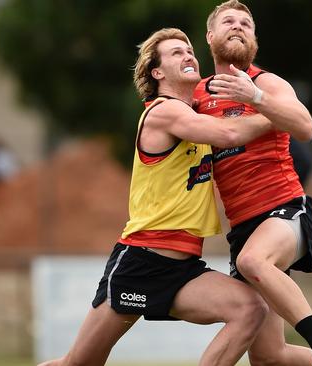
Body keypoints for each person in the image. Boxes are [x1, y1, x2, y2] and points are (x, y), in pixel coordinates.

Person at [37, 28, 276, 366]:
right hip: (141, 260)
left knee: (250, 309)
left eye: (190, 50)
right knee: (78, 364)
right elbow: (229, 133)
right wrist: (278, 114)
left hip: (183, 269)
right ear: (157, 72)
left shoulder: (195, 115)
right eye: (177, 53)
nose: (189, 55)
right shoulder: (164, 112)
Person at [194, 1, 312, 365]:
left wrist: (256, 99)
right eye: (228, 21)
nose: (237, 26)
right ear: (210, 36)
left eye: (246, 23)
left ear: (255, 41)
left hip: (286, 211)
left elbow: (306, 127)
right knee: (267, 356)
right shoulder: (197, 97)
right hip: (242, 227)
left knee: (253, 260)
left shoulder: (266, 82)